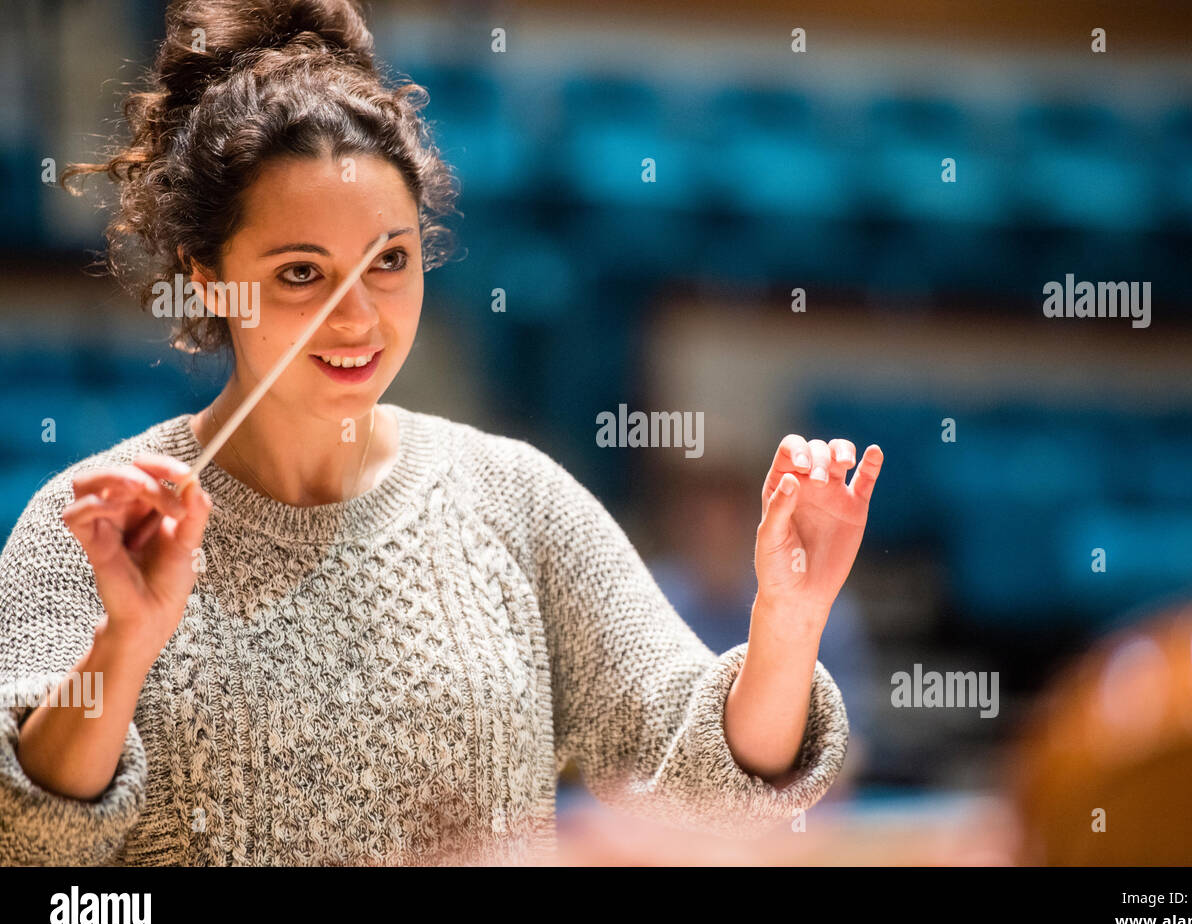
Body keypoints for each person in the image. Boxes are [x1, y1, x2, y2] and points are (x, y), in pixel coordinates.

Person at [0, 0, 884, 866]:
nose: (357, 318)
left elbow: (708, 792)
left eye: (389, 261)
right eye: (302, 273)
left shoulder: (519, 498)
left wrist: (786, 620)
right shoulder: (93, 527)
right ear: (206, 275)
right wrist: (124, 642)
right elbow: (28, 844)